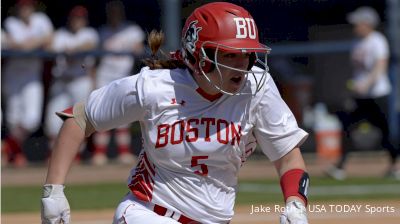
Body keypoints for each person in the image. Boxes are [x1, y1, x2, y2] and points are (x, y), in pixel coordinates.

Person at [41, 2, 310, 224]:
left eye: (247, 54)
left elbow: (287, 156)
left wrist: (296, 204)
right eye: (230, 55)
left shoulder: (256, 87)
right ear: (199, 57)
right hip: (147, 214)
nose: (243, 65)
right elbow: (79, 118)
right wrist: (53, 192)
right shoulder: (155, 87)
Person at [326, 6, 399, 180]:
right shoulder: (357, 42)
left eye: (358, 22)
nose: (355, 26)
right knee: (348, 128)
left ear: (367, 24)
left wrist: (366, 83)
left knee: (387, 132)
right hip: (361, 97)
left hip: (378, 95)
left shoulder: (377, 40)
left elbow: (380, 66)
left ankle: (396, 166)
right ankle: (340, 167)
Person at [91, 0, 145, 166]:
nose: (114, 14)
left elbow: (139, 48)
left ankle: (123, 152)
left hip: (123, 76)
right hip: (104, 76)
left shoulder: (132, 30)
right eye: (111, 11)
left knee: (124, 115)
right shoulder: (102, 31)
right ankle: (99, 153)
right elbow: (94, 60)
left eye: (116, 11)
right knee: (103, 113)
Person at [2, 0, 53, 167]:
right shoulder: (11, 23)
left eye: (28, 6)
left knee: (32, 119)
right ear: (18, 8)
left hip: (32, 76)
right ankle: (16, 155)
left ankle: (6, 147)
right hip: (14, 75)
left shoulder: (41, 19)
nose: (26, 9)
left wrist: (28, 45)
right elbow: (15, 44)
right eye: (23, 6)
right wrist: (36, 42)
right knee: (13, 120)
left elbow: (50, 40)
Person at [44, 5, 98, 159]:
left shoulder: (89, 33)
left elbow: (89, 44)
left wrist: (70, 50)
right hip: (61, 81)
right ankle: (53, 155)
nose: (77, 21)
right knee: (53, 122)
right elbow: (48, 47)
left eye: (80, 18)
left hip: (80, 81)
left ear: (85, 20)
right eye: (75, 18)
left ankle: (76, 156)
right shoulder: (61, 34)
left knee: (79, 121)